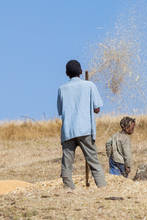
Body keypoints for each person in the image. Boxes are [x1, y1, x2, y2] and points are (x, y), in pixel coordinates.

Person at [57, 60, 106, 189]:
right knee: (93, 161)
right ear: (80, 71)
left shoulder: (62, 89)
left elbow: (61, 111)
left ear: (67, 73)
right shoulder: (89, 85)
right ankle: (102, 187)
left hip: (68, 130)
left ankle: (69, 188)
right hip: (85, 129)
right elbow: (97, 109)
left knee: (67, 163)